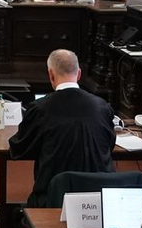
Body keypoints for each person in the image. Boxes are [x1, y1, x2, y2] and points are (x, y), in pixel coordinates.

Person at [8, 49, 115, 207]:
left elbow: (19, 148)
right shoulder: (101, 106)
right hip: (99, 198)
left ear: (51, 74)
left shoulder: (40, 108)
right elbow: (109, 144)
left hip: (54, 197)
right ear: (79, 74)